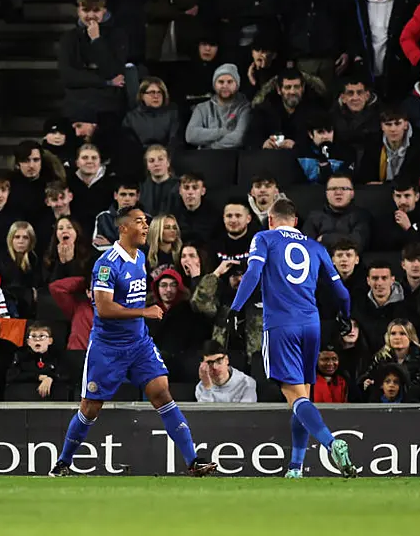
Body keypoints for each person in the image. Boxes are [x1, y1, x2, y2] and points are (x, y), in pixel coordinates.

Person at [48, 206, 216, 477]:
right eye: (139, 222)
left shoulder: (139, 258)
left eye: (146, 222)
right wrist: (144, 311)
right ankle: (62, 462)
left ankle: (193, 461)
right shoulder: (106, 264)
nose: (146, 226)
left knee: (162, 392)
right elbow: (103, 308)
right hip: (107, 348)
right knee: (90, 408)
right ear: (123, 228)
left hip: (138, 344)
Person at [227, 198, 358, 479]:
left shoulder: (264, 238)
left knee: (294, 397)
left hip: (281, 325)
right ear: (296, 221)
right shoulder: (316, 247)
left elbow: (252, 273)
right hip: (311, 326)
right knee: (303, 397)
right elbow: (342, 292)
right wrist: (345, 315)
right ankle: (295, 468)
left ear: (271, 220)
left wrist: (236, 308)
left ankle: (332, 443)